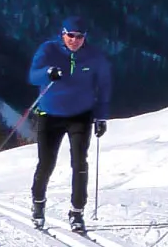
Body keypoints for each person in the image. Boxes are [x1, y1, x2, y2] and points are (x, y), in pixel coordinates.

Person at [28, 15, 112, 234]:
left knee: (80, 163)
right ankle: (38, 203)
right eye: (70, 35)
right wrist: (47, 73)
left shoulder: (94, 57)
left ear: (85, 37)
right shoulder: (48, 50)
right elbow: (32, 76)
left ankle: (77, 212)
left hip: (80, 115)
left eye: (79, 36)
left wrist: (101, 116)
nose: (74, 40)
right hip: (49, 114)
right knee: (46, 163)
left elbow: (103, 87)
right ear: (62, 34)